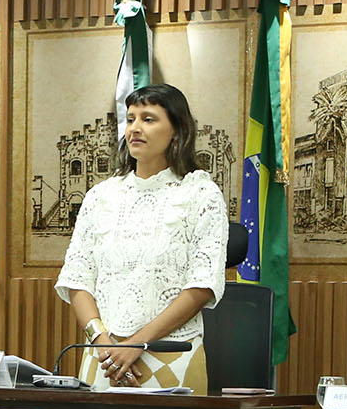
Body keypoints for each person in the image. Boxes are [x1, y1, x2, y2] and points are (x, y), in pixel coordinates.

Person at [55, 83, 227, 392]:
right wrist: (102, 342)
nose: (135, 128)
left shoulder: (200, 194)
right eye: (131, 118)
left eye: (148, 119)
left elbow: (202, 286)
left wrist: (136, 344)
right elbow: (77, 280)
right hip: (104, 358)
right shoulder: (100, 196)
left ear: (177, 130)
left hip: (171, 353)